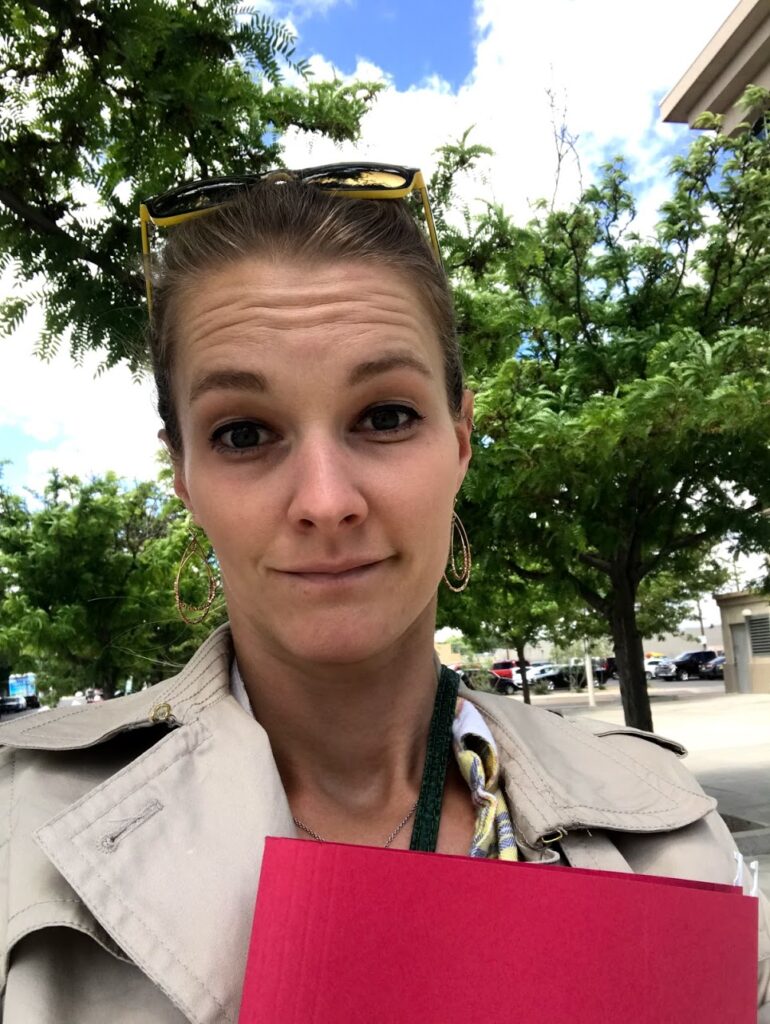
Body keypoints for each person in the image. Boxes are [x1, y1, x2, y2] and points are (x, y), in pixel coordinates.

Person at [0, 163, 767, 1023]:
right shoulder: (15, 832)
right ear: (183, 476)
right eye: (244, 433)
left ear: (461, 442)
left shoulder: (669, 833)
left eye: (386, 416)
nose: (326, 501)